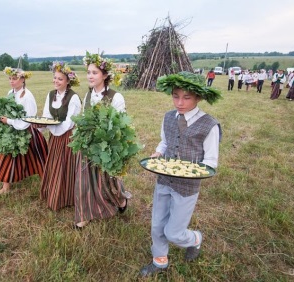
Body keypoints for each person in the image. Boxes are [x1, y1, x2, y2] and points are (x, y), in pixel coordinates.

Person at [139, 72, 222, 277]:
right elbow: (165, 142)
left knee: (173, 232)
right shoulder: (168, 117)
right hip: (164, 179)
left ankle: (194, 239)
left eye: (187, 97)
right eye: (176, 96)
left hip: (187, 187)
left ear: (198, 97)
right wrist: (159, 152)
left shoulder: (209, 125)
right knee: (157, 224)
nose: (179, 102)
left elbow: (210, 161)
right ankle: (159, 261)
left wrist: (192, 173)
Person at [73, 52, 129, 228]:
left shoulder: (115, 96)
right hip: (88, 145)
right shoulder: (88, 96)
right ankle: (84, 214)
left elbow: (120, 125)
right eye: (88, 72)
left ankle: (120, 199)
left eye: (94, 72)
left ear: (105, 75)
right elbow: (83, 117)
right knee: (84, 180)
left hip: (106, 146)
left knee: (108, 180)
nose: (90, 76)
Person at [0, 67, 48, 196]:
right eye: (10, 78)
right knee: (8, 156)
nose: (11, 81)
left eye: (14, 78)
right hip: (14, 131)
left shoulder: (27, 96)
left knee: (39, 160)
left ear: (22, 79)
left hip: (28, 132)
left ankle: (49, 183)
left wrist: (9, 121)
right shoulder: (10, 92)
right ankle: (5, 188)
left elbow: (28, 119)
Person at [39, 61, 82, 210]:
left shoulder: (73, 98)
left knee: (65, 166)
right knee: (53, 164)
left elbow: (70, 122)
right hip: (55, 135)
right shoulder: (51, 95)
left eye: (60, 79)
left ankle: (66, 197)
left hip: (68, 137)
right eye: (55, 78)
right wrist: (41, 125)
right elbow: (46, 115)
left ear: (68, 81)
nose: (56, 81)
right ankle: (53, 192)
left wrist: (54, 129)